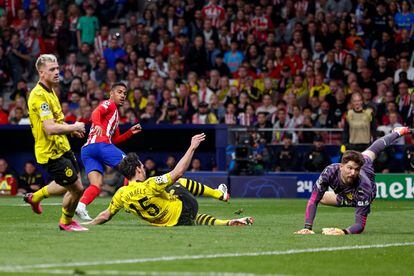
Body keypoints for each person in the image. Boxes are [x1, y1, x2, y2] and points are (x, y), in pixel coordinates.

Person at [86, 134, 253, 227]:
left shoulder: (121, 194)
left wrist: (88, 224)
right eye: (142, 167)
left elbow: (105, 215)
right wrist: (192, 147)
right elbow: (178, 172)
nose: (144, 169)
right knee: (177, 182)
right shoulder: (151, 184)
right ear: (138, 169)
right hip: (186, 207)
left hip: (171, 222)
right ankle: (219, 194)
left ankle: (226, 222)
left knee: (187, 215)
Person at [295, 127, 411, 235]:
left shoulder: (364, 186)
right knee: (320, 197)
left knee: (372, 153)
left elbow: (360, 225)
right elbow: (313, 199)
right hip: (344, 194)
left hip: (363, 195)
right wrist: (307, 227)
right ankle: (397, 132)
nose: (353, 173)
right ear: (341, 166)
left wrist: (343, 231)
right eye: (349, 168)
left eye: (356, 169)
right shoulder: (329, 172)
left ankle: (397, 133)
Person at [24, 54, 88, 232]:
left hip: (62, 147)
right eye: (52, 69)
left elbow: (56, 122)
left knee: (69, 185)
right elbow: (50, 128)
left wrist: (70, 129)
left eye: (58, 68)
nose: (57, 72)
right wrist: (74, 125)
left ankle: (35, 198)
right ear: (41, 72)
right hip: (50, 152)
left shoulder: (50, 90)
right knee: (77, 188)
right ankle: (65, 222)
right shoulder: (38, 95)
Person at [76, 82, 142, 221]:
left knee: (96, 184)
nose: (123, 95)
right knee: (133, 166)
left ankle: (81, 207)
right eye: (119, 92)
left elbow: (116, 139)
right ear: (111, 94)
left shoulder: (115, 116)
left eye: (124, 93)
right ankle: (129, 201)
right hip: (100, 145)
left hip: (88, 150)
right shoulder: (109, 104)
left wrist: (130, 132)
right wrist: (98, 124)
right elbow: (96, 112)